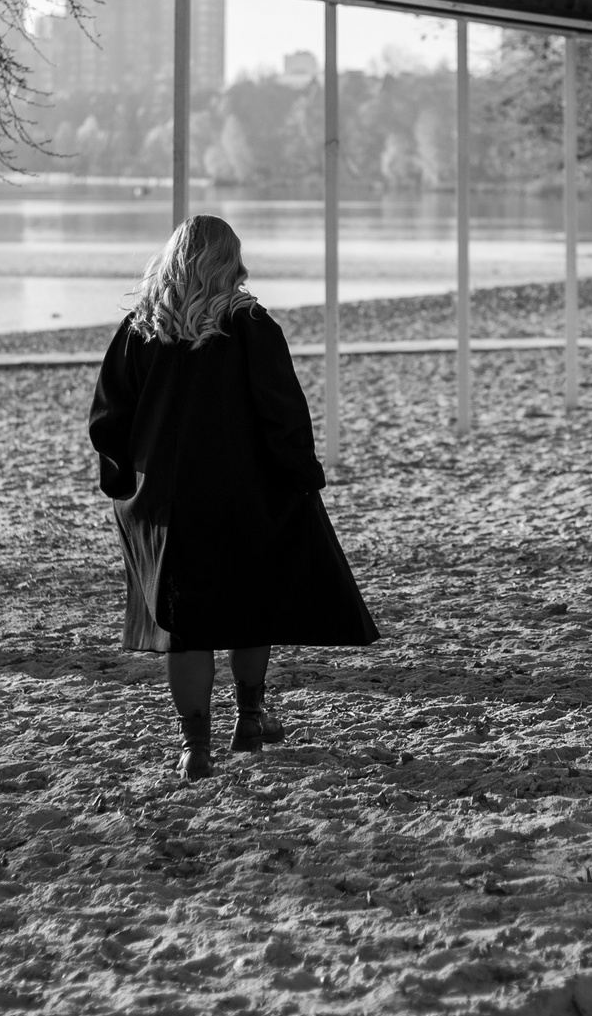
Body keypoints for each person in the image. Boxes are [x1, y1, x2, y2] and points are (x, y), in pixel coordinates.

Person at [89, 216, 379, 779]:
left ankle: (194, 747)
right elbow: (282, 412)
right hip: (246, 494)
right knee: (251, 608)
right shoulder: (250, 324)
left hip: (167, 506)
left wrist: (126, 485)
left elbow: (108, 422)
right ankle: (249, 719)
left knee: (185, 628)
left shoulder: (140, 328)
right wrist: (301, 475)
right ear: (231, 261)